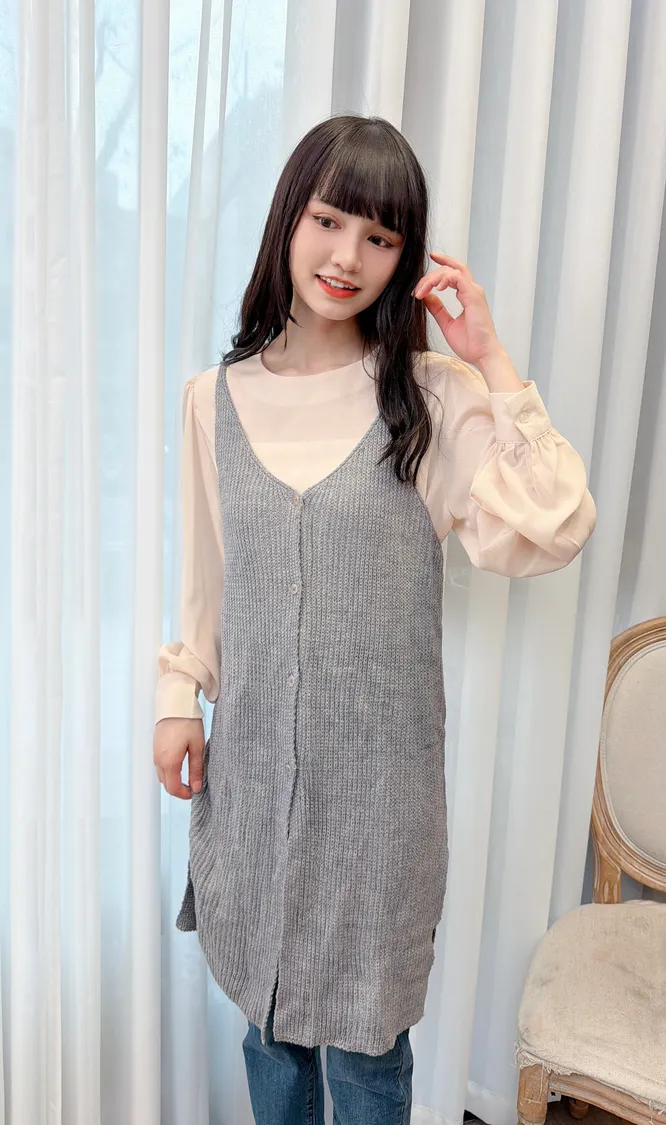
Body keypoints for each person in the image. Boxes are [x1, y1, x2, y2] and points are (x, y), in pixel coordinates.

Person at [153, 113, 596, 1125]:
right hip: (253, 781)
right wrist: (179, 694)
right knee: (270, 1029)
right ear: (289, 220)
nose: (347, 256)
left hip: (380, 809)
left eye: (381, 237)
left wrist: (491, 360)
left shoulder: (429, 400)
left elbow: (557, 522)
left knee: (366, 1049)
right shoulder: (212, 400)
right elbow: (208, 577)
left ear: (404, 257)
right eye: (329, 220)